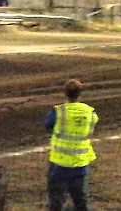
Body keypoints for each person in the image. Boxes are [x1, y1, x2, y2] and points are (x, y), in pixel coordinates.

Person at [45, 79, 99, 211]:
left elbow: (48, 125)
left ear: (65, 93)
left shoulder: (58, 111)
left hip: (59, 164)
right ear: (80, 94)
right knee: (81, 200)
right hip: (80, 163)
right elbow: (90, 129)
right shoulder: (90, 112)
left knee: (56, 201)